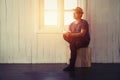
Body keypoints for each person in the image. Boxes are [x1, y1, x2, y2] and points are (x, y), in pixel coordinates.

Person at [63, 7, 90, 71]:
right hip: (75, 41)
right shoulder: (71, 24)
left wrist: (70, 34)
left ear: (80, 14)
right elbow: (69, 34)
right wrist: (66, 33)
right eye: (73, 13)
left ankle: (71, 66)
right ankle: (71, 66)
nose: (73, 15)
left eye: (75, 13)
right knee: (65, 36)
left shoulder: (84, 22)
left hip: (83, 41)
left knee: (72, 45)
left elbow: (82, 34)